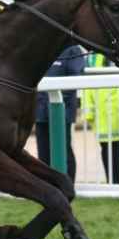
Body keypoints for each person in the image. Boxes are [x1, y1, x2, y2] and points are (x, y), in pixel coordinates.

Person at [34, 45, 85, 183]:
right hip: (40, 109)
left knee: (63, 151)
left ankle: (67, 186)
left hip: (62, 110)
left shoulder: (72, 49)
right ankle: (47, 188)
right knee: (43, 153)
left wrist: (56, 99)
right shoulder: (40, 46)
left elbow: (74, 79)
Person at [83, 54, 119, 184]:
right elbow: (87, 85)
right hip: (102, 113)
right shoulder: (94, 58)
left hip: (117, 113)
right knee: (106, 150)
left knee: (118, 150)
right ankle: (112, 181)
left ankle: (118, 181)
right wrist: (89, 111)